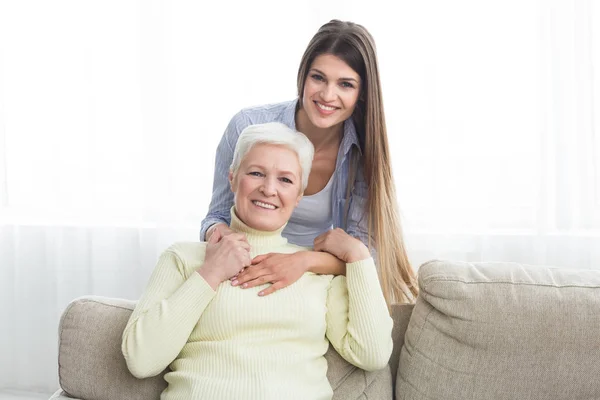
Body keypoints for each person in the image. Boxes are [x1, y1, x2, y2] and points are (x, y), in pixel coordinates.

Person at [122, 122, 393, 400]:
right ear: (232, 178)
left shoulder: (316, 270)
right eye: (256, 173)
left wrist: (358, 256)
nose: (268, 189)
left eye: (285, 180)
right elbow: (142, 360)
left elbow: (372, 354)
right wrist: (210, 274)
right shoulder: (183, 258)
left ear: (299, 195)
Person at [200, 19, 417, 304]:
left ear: (362, 93)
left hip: (315, 281)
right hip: (245, 269)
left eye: (345, 84)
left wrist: (301, 262)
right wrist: (226, 240)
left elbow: (363, 256)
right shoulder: (248, 126)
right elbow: (214, 219)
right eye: (318, 78)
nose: (327, 95)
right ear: (303, 76)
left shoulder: (363, 153)